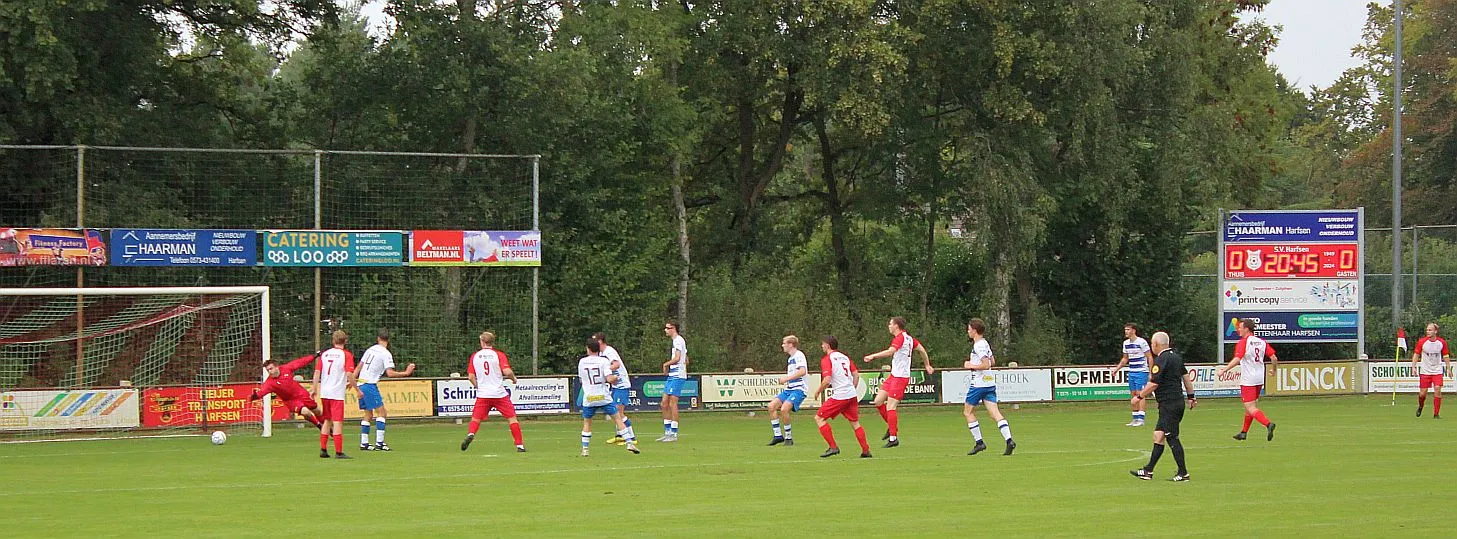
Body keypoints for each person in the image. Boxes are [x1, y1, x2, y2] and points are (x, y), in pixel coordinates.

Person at [1130, 331, 1197, 482]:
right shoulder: (1176, 357)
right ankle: (1148, 471)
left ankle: (1183, 473)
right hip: (1175, 403)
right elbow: (1186, 378)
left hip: (1169, 405)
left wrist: (1138, 397)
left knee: (1172, 437)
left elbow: (1153, 384)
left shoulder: (1161, 360)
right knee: (1158, 436)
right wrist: (1191, 396)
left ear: (1155, 344)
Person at [861, 317, 934, 447]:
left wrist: (873, 356)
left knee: (891, 406)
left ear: (896, 326)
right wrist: (927, 365)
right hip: (894, 375)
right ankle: (892, 427)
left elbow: (890, 352)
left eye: (890, 324)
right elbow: (922, 350)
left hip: (900, 377)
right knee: (878, 401)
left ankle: (893, 438)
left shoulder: (900, 338)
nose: (889, 326)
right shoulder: (910, 339)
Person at [460, 331, 526, 452]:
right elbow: (507, 371)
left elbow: (470, 377)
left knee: (475, 419)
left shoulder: (475, 356)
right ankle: (519, 446)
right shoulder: (498, 355)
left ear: (482, 342)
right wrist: (514, 379)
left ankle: (471, 433)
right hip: (499, 393)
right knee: (512, 418)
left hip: (483, 394)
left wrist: (478, 386)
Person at [352, 329, 416, 451]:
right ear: (388, 340)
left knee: (368, 414)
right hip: (369, 385)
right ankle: (380, 443)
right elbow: (390, 373)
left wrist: (352, 381)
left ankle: (364, 443)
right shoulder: (386, 354)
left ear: (378, 338)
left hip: (361, 384)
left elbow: (359, 367)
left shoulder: (370, 349)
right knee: (382, 413)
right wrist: (406, 373)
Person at [1216, 318, 1277, 441]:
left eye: (1240, 327)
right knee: (1250, 406)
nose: (1238, 329)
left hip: (1248, 379)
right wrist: (1274, 370)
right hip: (1259, 378)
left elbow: (1237, 359)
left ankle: (1268, 424)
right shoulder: (1261, 342)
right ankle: (1244, 432)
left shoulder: (1243, 342)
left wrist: (1224, 370)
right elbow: (1274, 357)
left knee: (1250, 407)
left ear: (1247, 329)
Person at [578, 338, 640, 456]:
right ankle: (629, 442)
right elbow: (609, 378)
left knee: (587, 423)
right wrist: (615, 378)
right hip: (603, 396)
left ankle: (585, 449)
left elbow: (581, 379)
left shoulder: (582, 362)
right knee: (617, 418)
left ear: (588, 349)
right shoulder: (603, 361)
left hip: (589, 397)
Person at [963, 318, 1015, 456]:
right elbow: (993, 361)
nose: (968, 331)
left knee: (968, 412)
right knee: (995, 413)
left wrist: (970, 365)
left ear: (974, 330)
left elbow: (986, 364)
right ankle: (1009, 440)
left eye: (969, 329)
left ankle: (979, 442)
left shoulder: (978, 345)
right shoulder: (985, 343)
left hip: (979, 384)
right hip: (989, 383)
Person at [813, 336, 872, 458]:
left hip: (840, 395)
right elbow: (856, 375)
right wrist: (852, 389)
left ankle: (833, 447)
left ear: (828, 345)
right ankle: (866, 451)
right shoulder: (845, 357)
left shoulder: (827, 359)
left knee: (819, 418)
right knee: (855, 423)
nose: (822, 346)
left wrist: (818, 391)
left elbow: (827, 379)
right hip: (851, 394)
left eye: (823, 344)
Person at [312, 330, 357, 459]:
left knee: (327, 420)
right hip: (336, 393)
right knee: (337, 422)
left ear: (333, 341)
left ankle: (323, 449)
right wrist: (357, 389)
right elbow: (349, 374)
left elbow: (317, 372)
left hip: (325, 392)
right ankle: (338, 452)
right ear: (345, 341)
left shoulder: (325, 354)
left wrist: (314, 388)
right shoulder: (346, 355)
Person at [250, 353, 324, 430]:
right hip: (291, 401)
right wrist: (255, 396)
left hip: (301, 394)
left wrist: (314, 356)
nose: (270, 371)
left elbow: (300, 362)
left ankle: (327, 428)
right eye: (268, 370)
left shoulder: (285, 369)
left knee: (318, 411)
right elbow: (262, 391)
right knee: (305, 412)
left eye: (271, 369)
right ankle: (319, 425)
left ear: (276, 367)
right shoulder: (270, 383)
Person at [767, 335, 808, 446]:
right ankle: (778, 436)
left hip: (799, 389)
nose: (782, 345)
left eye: (784, 343)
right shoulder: (790, 358)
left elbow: (802, 371)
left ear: (790, 345)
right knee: (771, 406)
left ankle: (788, 438)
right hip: (790, 389)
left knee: (784, 409)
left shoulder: (799, 355)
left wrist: (786, 378)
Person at [1109, 323, 1152, 426]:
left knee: (1140, 394)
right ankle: (1135, 418)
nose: (1126, 332)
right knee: (1133, 394)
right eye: (1125, 330)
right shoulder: (1126, 343)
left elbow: (1149, 357)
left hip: (1141, 371)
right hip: (1132, 371)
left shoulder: (1141, 342)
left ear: (1134, 330)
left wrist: (1151, 372)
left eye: (1128, 329)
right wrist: (1116, 369)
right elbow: (1125, 359)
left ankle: (1141, 419)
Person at [595, 332, 634, 445]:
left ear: (600, 341)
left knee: (618, 413)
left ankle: (631, 437)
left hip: (622, 384)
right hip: (616, 385)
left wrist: (605, 370)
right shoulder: (601, 353)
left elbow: (616, 364)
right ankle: (620, 435)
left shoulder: (609, 351)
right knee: (614, 412)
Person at [1412, 323, 1451, 418]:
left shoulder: (1441, 342)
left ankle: (1436, 414)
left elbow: (1446, 356)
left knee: (1437, 389)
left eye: (1430, 330)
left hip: (1437, 371)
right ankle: (1421, 406)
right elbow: (1416, 354)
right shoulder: (1422, 342)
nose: (1428, 332)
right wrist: (1413, 367)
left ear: (1435, 331)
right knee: (1422, 393)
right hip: (1425, 371)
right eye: (1427, 330)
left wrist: (1448, 368)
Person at [659, 321, 688, 441]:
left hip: (678, 375)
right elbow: (685, 358)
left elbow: (677, 358)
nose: (665, 330)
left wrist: (666, 364)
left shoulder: (678, 340)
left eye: (668, 328)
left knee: (672, 403)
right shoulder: (676, 341)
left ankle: (674, 433)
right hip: (673, 374)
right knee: (664, 403)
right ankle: (668, 432)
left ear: (674, 328)